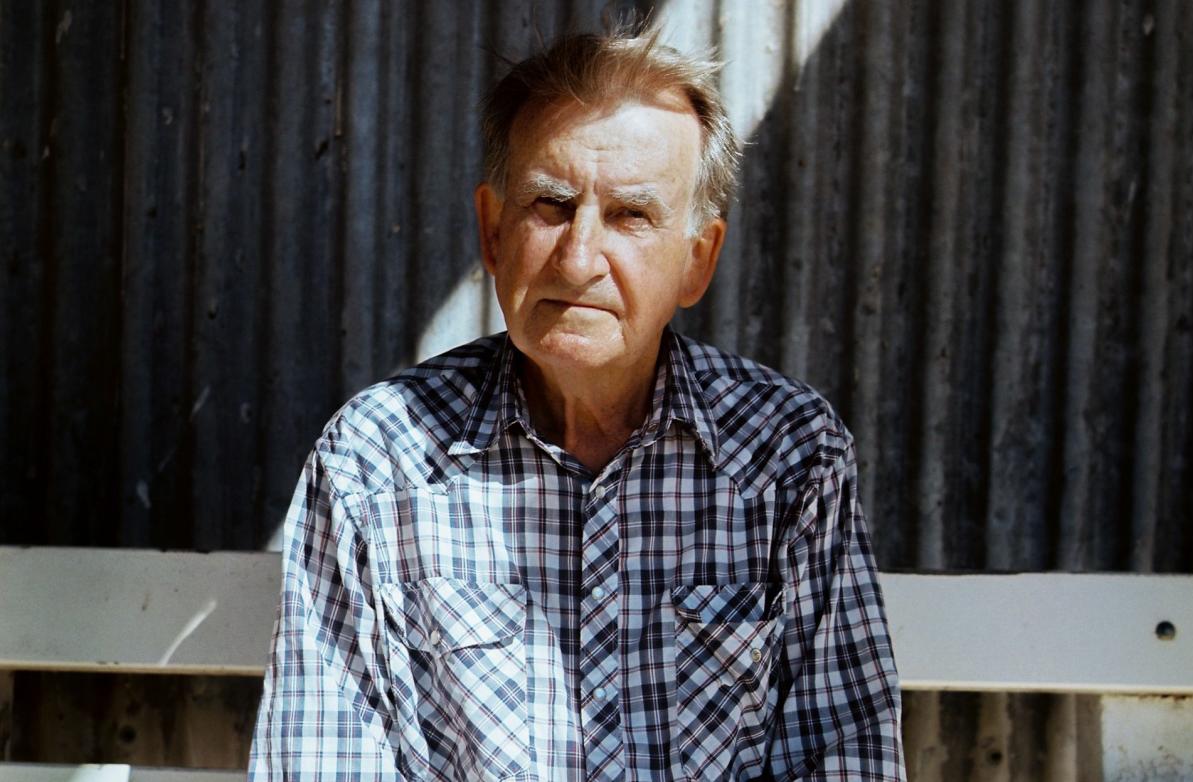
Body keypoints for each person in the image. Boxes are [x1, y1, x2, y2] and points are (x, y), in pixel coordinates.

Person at [250, 21, 905, 782]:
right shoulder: (378, 459)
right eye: (551, 205)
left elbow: (844, 755)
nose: (580, 256)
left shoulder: (788, 457)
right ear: (493, 232)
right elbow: (324, 762)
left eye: (631, 215)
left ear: (697, 261)